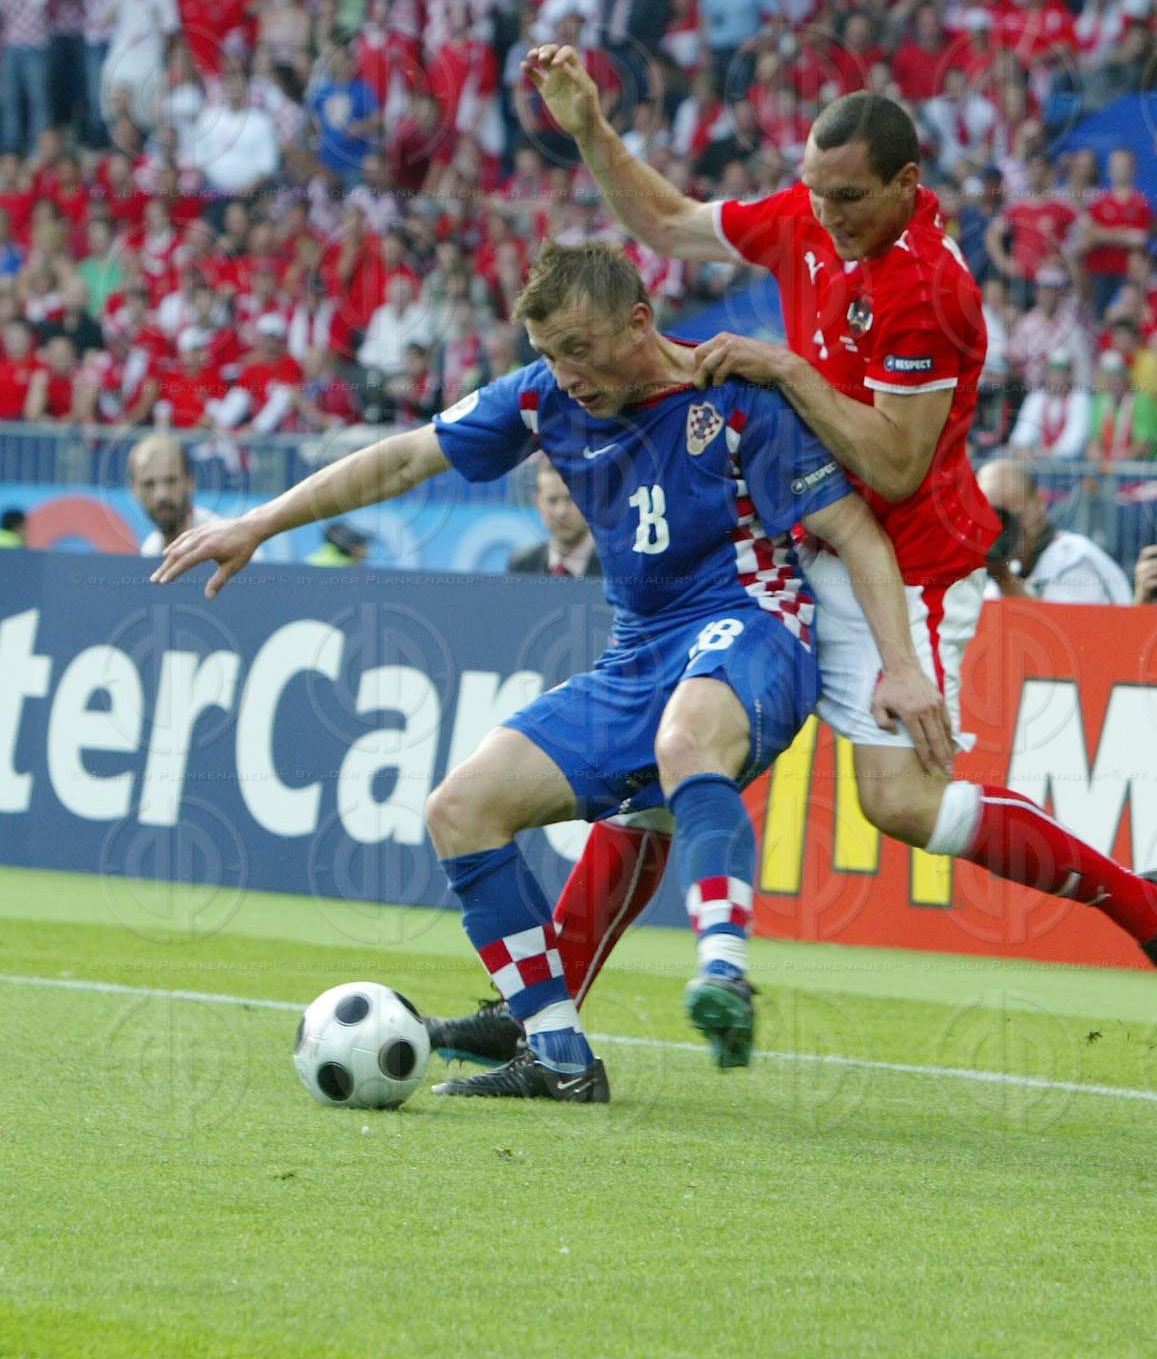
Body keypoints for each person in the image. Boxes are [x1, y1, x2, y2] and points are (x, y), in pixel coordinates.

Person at [424, 57, 1157, 1071]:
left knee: (896, 802)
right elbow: (671, 225)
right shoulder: (808, 218)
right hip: (788, 543)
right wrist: (590, 128)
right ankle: (542, 1018)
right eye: (814, 190)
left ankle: (1145, 908)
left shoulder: (931, 290)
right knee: (662, 766)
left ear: (905, 184)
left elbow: (892, 468)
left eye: (846, 197)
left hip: (903, 562)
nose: (824, 212)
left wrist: (783, 367)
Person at [152, 241, 945, 1102]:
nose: (564, 374)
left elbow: (859, 533)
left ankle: (723, 971)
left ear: (639, 323)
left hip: (754, 629)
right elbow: (405, 457)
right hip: (638, 653)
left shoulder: (736, 397)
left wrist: (900, 667)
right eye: (547, 354)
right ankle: (559, 1056)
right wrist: (261, 523)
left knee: (686, 743)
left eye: (579, 348)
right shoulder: (541, 400)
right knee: (461, 809)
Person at [979, 460, 1133, 605]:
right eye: (993, 521)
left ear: (1040, 501)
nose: (1005, 530)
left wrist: (1004, 579)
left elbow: (1055, 629)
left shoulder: (1075, 560)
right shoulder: (1007, 570)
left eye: (1014, 517)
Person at [507, 458, 601, 578]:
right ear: (537, 503)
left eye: (571, 499)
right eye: (552, 500)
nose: (561, 511)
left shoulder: (616, 566)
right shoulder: (521, 566)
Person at [129, 435, 214, 559]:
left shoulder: (227, 545)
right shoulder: (149, 551)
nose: (161, 496)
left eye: (170, 481)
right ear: (134, 491)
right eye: (149, 484)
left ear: (191, 482)